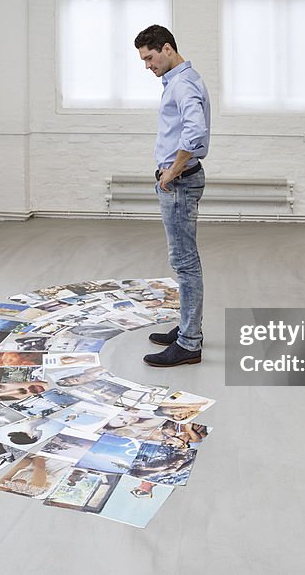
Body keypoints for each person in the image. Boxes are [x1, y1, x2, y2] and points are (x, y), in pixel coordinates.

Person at [135, 25, 210, 367]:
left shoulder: (182, 83)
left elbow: (195, 134)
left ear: (167, 49)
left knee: (184, 263)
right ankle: (186, 327)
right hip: (177, 181)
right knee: (183, 260)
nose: (147, 66)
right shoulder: (179, 81)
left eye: (150, 58)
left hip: (179, 184)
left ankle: (189, 343)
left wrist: (172, 171)